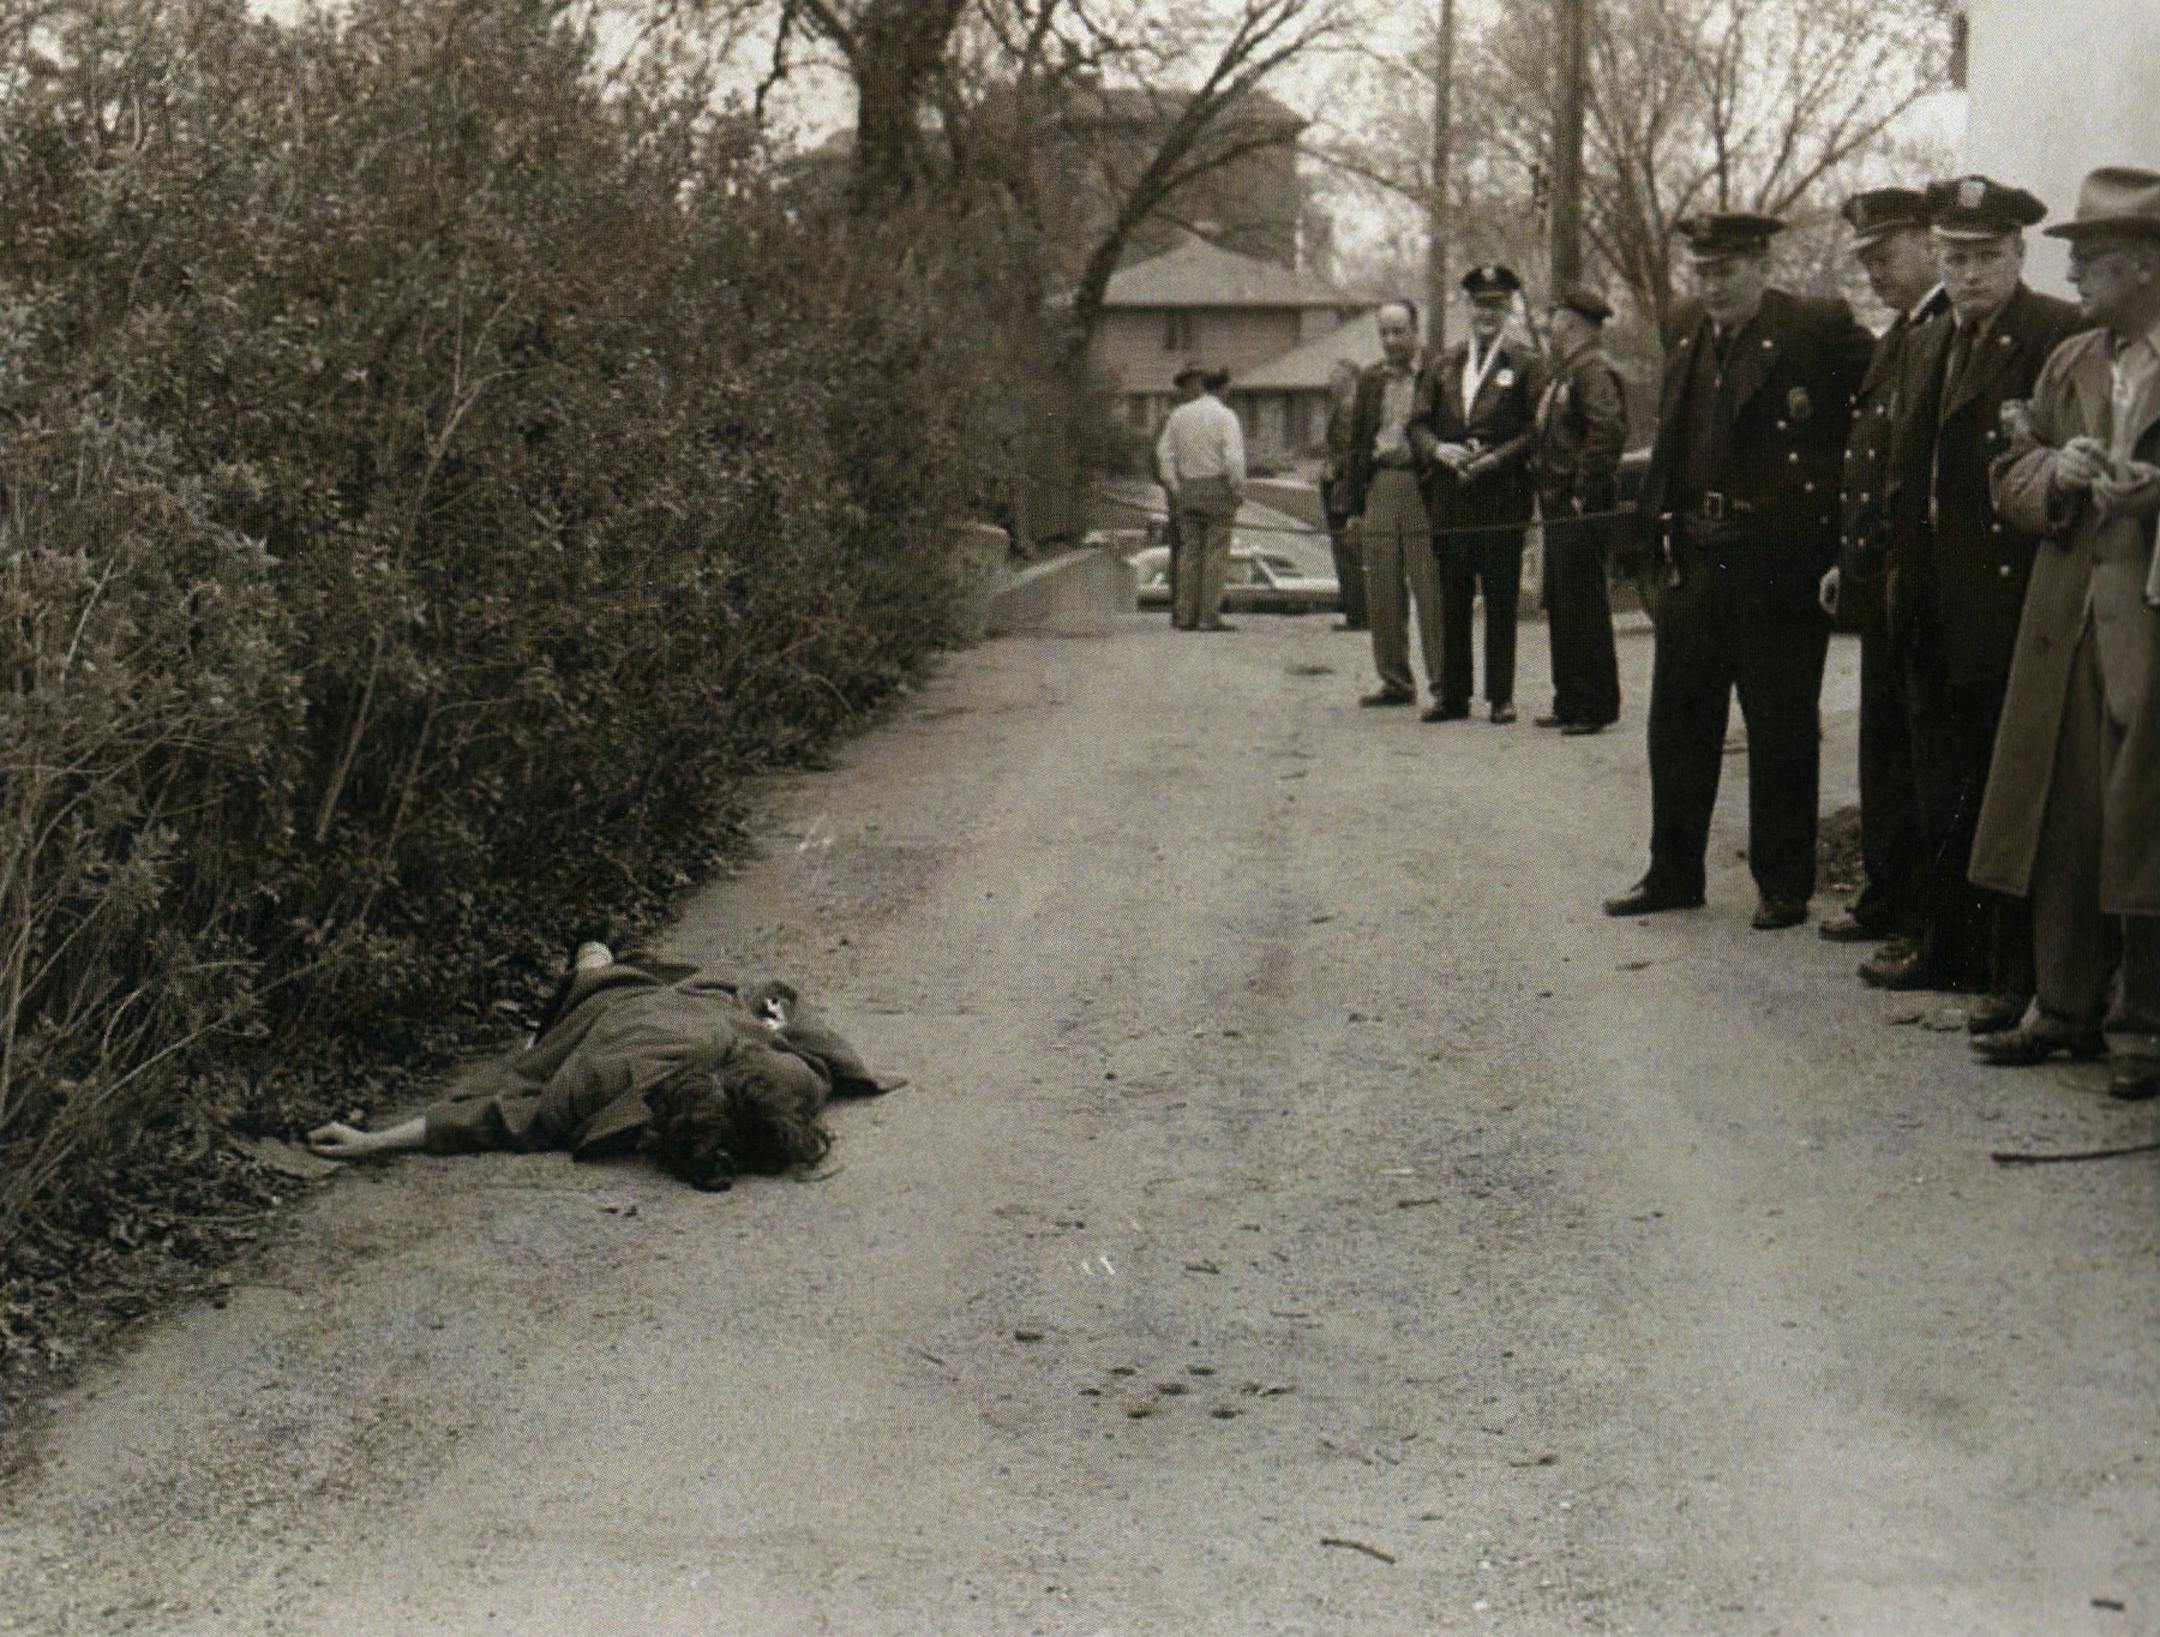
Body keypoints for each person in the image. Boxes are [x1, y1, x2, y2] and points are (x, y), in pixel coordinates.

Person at [1605, 213, 1873, 929]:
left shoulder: (1815, 326)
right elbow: (1675, 429)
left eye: (1726, 271)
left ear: (1760, 264)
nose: (1712, 286)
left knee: (1779, 722)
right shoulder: (1687, 324)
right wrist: (1652, 534)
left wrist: (1840, 534)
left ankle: (1783, 884)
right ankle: (1672, 871)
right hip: (1696, 550)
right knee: (1679, 721)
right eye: (1703, 271)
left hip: (1778, 559)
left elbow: (1876, 412)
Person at [1867, 176, 2081, 1027]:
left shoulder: (2054, 335)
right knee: (1939, 779)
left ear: (2019, 256)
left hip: (2010, 600)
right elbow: (1905, 466)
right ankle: (1946, 941)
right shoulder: (1927, 341)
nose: (1967, 273)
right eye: (1954, 256)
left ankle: (2011, 968)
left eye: (1986, 256)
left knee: (2009, 787)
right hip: (1928, 595)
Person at [1969, 165, 2160, 1103]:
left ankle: (2145, 1026)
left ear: (2146, 268)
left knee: (2146, 820)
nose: (2077, 276)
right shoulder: (2072, 362)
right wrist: (2058, 471)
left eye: (2093, 259)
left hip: (2149, 623)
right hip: (2064, 618)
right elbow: (2010, 475)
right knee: (2063, 810)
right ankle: (2064, 1004)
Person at [306, 944, 902, 1187]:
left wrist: (372, 1142)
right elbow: (495, 1116)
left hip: (660, 999)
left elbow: (491, 1116)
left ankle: (594, 957)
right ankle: (593, 959)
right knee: (594, 963)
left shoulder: (767, 1075)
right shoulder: (603, 1089)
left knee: (594, 961)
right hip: (637, 1001)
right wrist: (367, 1142)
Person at [1815, 187, 1947, 947]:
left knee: (1917, 749)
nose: (1874, 273)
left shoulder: (1940, 330)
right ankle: (1889, 896)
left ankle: (1917, 908)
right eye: (1865, 260)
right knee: (1884, 744)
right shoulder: (1901, 334)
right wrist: (1849, 558)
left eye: (1886, 254)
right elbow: (1871, 458)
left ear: (1927, 244)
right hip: (1881, 570)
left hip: (1918, 573)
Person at [1411, 265, 1545, 723]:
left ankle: (1500, 696)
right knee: (1451, 595)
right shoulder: (1443, 364)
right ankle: (1453, 695)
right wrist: (1438, 451)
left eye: (1496, 305)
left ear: (1508, 309)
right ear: (1467, 309)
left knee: (1501, 596)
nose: (1487, 314)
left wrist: (1496, 458)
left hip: (1500, 496)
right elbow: (1417, 424)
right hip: (1451, 496)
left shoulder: (1525, 364)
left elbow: (1535, 430)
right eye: (1480, 305)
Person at [1528, 281, 1626, 735]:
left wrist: (1582, 491)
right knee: (1564, 602)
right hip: (1559, 505)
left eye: (1557, 319)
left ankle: (1593, 704)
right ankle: (1570, 698)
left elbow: (1607, 433)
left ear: (1572, 322)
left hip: (1578, 506)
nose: (1551, 327)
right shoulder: (1569, 371)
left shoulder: (1592, 371)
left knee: (1583, 603)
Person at [1343, 300, 1447, 707]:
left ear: (1416, 331)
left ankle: (1443, 683)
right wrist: (1354, 507)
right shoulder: (1370, 381)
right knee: (1382, 588)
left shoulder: (1437, 374)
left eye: (1398, 331)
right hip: (1381, 484)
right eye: (1384, 333)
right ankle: (1395, 681)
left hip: (1423, 488)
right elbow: (1357, 445)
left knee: (1430, 588)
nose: (1391, 341)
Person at [1155, 362, 1246, 632]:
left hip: (1188, 487)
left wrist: (1174, 484)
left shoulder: (1179, 415)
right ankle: (1208, 616)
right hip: (1217, 486)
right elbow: (1233, 459)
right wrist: (1236, 488)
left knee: (1190, 551)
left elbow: (1163, 453)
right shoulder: (1226, 416)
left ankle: (1185, 614)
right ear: (1223, 388)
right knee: (1216, 552)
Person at [1150, 365, 1207, 625]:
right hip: (1180, 491)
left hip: (1205, 488)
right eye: (1191, 385)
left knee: (1205, 549)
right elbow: (1157, 457)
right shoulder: (1170, 418)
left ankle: (1200, 608)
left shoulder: (1209, 415)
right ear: (1182, 388)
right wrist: (1170, 485)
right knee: (1182, 549)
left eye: (1199, 384)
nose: (1195, 389)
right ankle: (1181, 608)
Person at [1320, 357, 1369, 630]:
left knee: (1347, 549)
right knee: (1346, 549)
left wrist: (1335, 472)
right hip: (1342, 484)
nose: (1330, 382)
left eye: (1336, 377)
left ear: (1350, 378)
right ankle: (1356, 609)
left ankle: (1357, 613)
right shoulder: (1343, 406)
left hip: (1343, 487)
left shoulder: (1349, 408)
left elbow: (1350, 452)